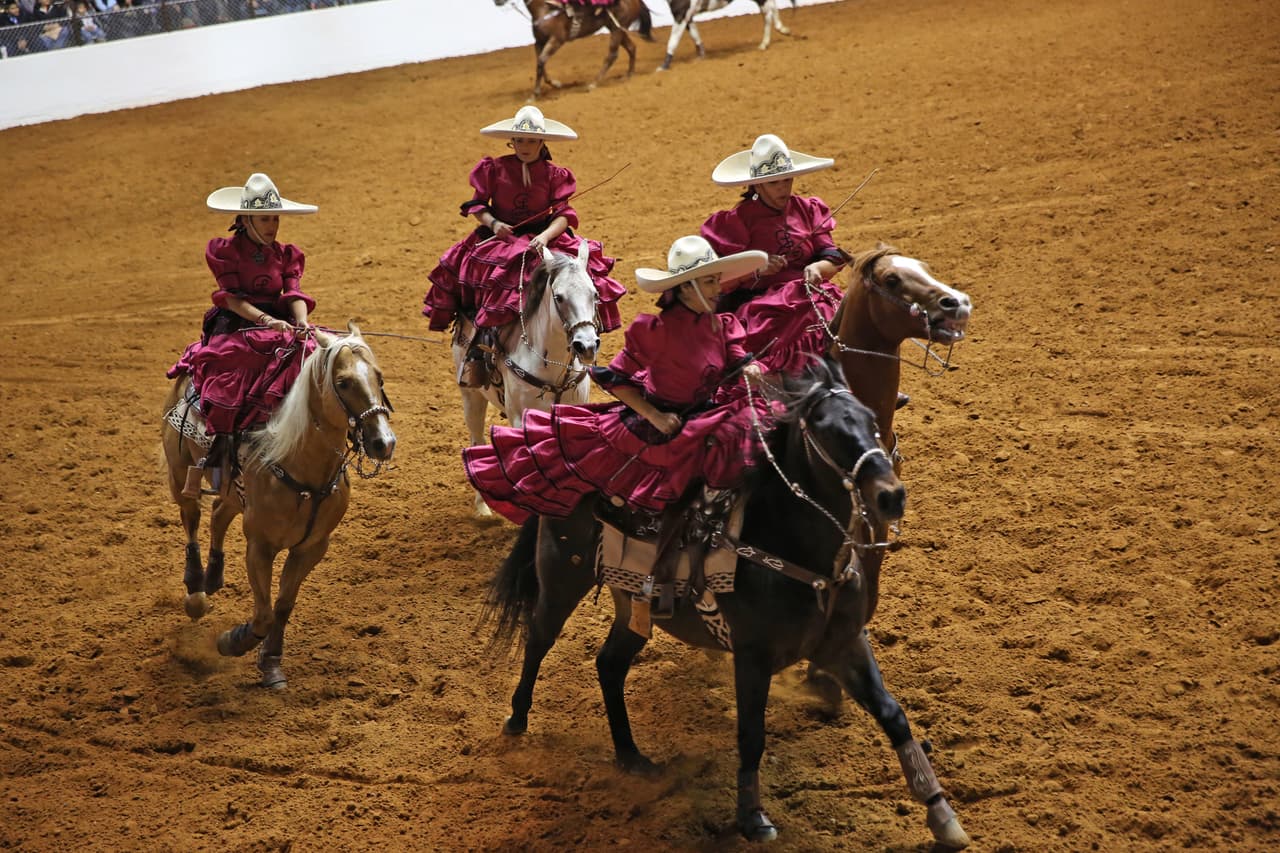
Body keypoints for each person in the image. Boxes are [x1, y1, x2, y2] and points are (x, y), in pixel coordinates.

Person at [462, 234, 770, 528]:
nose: (719, 288)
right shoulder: (654, 331)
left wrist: (751, 366)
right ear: (686, 288)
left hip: (705, 415)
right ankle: (479, 354)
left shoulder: (722, 324)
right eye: (710, 281)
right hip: (662, 426)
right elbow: (615, 378)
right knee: (494, 300)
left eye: (716, 280)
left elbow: (738, 355)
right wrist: (654, 415)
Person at [422, 105, 624, 387]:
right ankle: (479, 353)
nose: (524, 146)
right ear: (511, 142)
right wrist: (493, 224)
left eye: (530, 141)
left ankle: (585, 336)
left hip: (545, 239)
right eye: (519, 140)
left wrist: (544, 237)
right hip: (503, 239)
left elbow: (565, 214)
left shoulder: (555, 174)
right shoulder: (494, 169)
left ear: (542, 143)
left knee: (582, 278)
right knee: (486, 280)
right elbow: (478, 205)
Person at [166, 173, 318, 498]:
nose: (273, 225)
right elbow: (232, 299)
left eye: (275, 218)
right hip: (237, 324)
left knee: (318, 367)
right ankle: (217, 464)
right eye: (265, 218)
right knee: (228, 388)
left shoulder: (286, 254)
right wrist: (265, 320)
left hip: (282, 325)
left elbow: (293, 292)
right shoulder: (227, 252)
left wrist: (301, 321)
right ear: (247, 219)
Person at [700, 132, 851, 377]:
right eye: (774, 183)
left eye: (787, 180)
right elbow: (717, 282)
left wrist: (818, 268)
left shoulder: (806, 209)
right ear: (756, 184)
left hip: (810, 292)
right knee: (817, 313)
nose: (783, 188)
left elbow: (832, 255)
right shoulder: (737, 221)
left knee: (847, 312)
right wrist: (757, 270)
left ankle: (863, 380)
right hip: (760, 306)